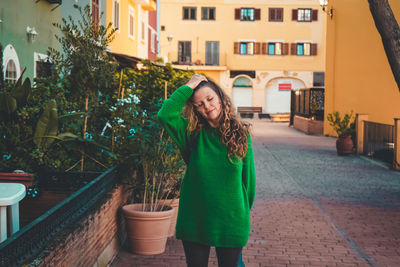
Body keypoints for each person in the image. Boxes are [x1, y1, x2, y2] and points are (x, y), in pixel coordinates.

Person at [157, 74, 256, 267]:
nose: (206, 106)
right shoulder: (191, 134)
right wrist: (190, 85)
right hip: (196, 218)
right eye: (199, 104)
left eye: (210, 99)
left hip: (231, 220)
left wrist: (241, 213)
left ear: (220, 97)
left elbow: (248, 182)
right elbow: (165, 114)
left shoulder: (240, 135)